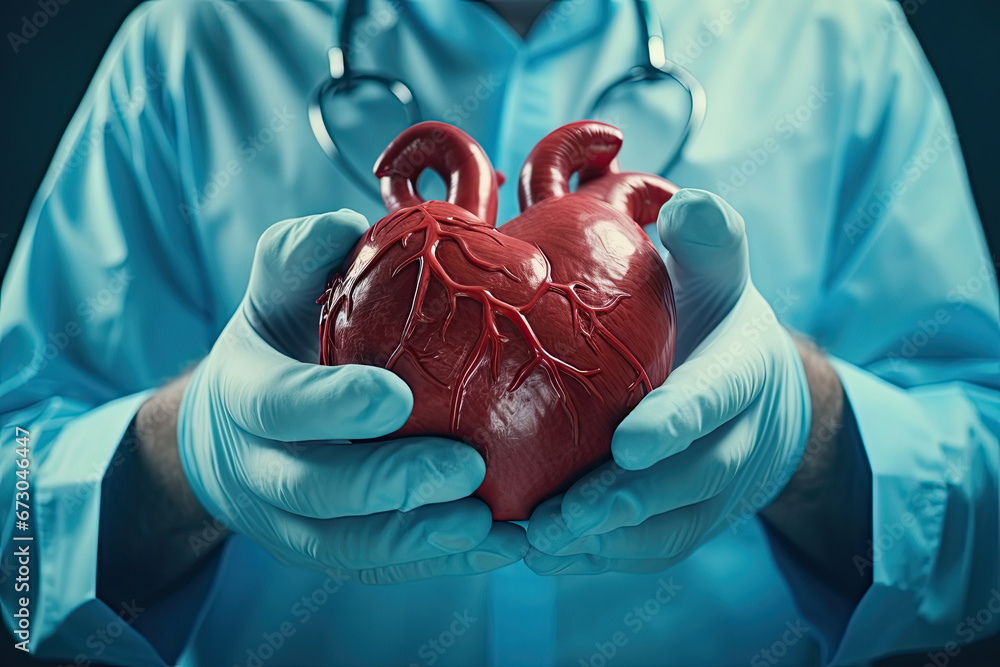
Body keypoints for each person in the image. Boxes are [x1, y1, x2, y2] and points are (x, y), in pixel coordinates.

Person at [2, 0, 998, 665]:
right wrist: (184, 458)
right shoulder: (191, 49)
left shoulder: (838, 40)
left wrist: (813, 433)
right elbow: (13, 545)